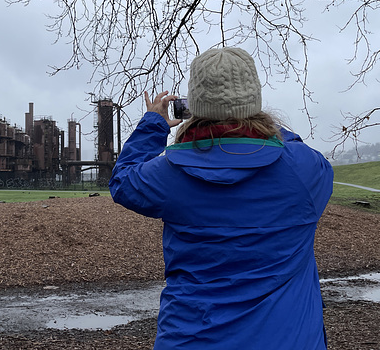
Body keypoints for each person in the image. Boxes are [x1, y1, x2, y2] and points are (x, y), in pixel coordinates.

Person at [109, 47, 333, 349]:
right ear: (254, 101)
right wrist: (265, 127)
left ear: (196, 106)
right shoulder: (303, 170)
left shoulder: (169, 174)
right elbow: (294, 151)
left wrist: (153, 124)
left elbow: (123, 182)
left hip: (192, 338)